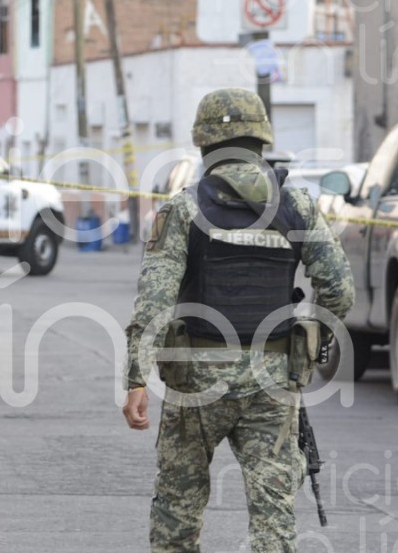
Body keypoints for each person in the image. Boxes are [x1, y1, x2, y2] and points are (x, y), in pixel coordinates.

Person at [121, 88, 355, 553]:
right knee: (273, 519)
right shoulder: (299, 206)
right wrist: (309, 337)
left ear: (203, 144)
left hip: (195, 382)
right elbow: (340, 291)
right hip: (272, 383)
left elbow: (153, 303)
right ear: (262, 140)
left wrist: (136, 378)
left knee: (178, 509)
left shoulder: (183, 208)